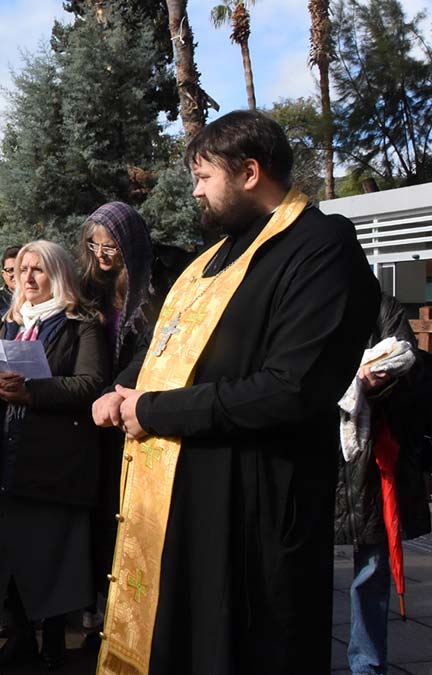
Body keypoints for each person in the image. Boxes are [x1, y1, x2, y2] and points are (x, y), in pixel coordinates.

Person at [93, 110, 379, 675]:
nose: (195, 191)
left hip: (257, 506)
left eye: (204, 177)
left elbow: (289, 388)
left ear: (250, 172)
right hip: (190, 494)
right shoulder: (214, 256)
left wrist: (149, 409)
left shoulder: (321, 247)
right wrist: (123, 385)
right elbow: (166, 341)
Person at [0, 241, 108, 669]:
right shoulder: (7, 323)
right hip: (3, 458)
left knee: (54, 559)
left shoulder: (81, 323)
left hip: (53, 466)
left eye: (38, 270)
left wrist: (32, 391)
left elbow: (90, 382)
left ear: (58, 274)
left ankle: (56, 649)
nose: (27, 278)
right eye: (23, 269)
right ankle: (22, 639)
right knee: (9, 559)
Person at [334, 293, 430, 675]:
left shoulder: (379, 305)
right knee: (302, 570)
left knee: (370, 570)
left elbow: (411, 366)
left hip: (369, 459)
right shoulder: (306, 297)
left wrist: (373, 381)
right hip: (314, 452)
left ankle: (367, 666)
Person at [75, 201, 156, 636]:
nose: (102, 254)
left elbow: (154, 345)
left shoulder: (152, 284)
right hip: (97, 410)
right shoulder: (92, 285)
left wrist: (117, 387)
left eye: (110, 246)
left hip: (130, 401)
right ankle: (98, 604)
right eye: (94, 245)